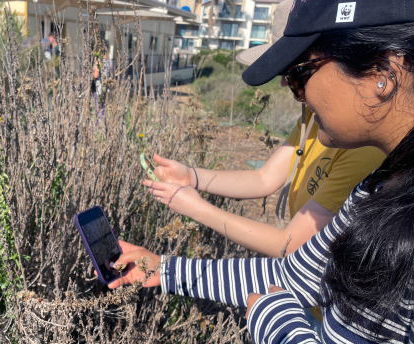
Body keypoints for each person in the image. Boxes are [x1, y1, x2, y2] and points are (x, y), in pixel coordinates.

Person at [109, 0, 414, 342]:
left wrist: (275, 321)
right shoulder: (380, 185)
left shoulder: (391, 201)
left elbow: (288, 253)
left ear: (382, 73)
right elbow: (295, 274)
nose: (294, 91)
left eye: (300, 74)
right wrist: (164, 270)